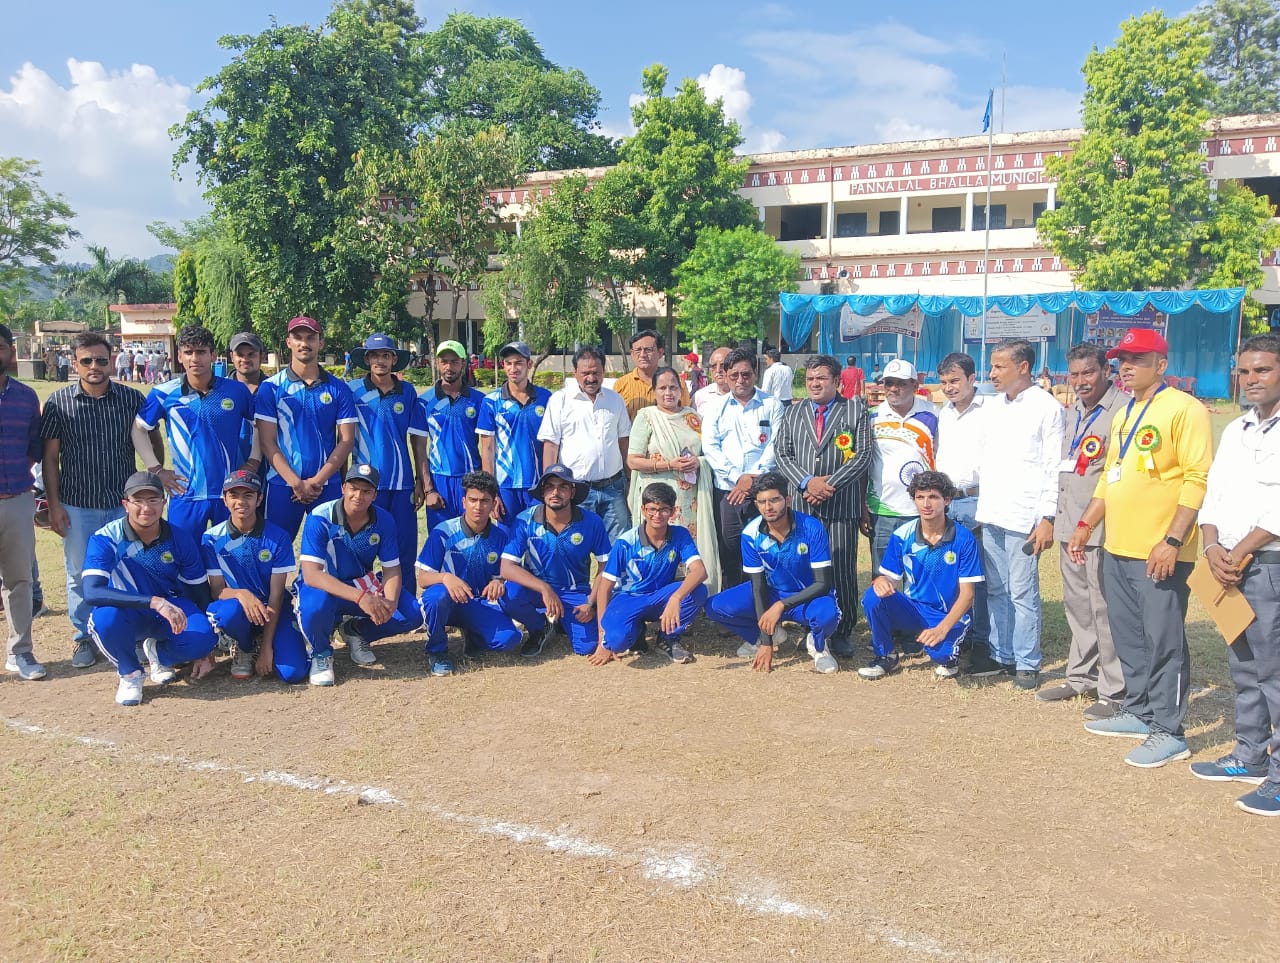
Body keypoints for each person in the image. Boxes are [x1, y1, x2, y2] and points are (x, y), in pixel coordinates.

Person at [1067, 327, 1213, 768]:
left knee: (1163, 641)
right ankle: (1139, 710)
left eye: (1138, 360)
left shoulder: (1185, 409)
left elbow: (1197, 479)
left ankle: (1170, 730)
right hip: (1118, 547)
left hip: (1160, 551)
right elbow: (1110, 478)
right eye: (1122, 360)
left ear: (1161, 365)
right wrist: (1085, 524)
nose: (1126, 368)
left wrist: (1172, 540)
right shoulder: (1126, 411)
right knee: (1129, 637)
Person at [1194, 334, 1280, 815]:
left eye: (1262, 369)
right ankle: (1249, 756)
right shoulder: (1236, 429)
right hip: (1227, 566)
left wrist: (1241, 550)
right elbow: (1215, 493)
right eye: (1244, 371)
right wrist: (1211, 546)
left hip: (1268, 566)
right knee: (1244, 667)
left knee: (1275, 673)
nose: (1251, 379)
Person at [41, 332, 155, 669]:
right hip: (77, 503)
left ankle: (131, 634)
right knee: (80, 573)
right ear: (75, 364)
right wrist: (54, 506)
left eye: (101, 360)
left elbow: (151, 441)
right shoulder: (58, 403)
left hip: (123, 504)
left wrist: (152, 481)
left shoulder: (131, 399)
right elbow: (50, 459)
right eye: (87, 360)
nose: (95, 366)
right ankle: (84, 638)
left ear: (112, 362)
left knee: (128, 570)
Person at [969, 339, 1064, 689]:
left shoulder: (1046, 408)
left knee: (1023, 593)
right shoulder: (993, 407)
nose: (992, 373)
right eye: (991, 366)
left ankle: (1027, 661)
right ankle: (1002, 654)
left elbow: (1054, 467)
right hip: (992, 512)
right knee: (997, 588)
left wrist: (1047, 517)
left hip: (1025, 516)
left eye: (999, 366)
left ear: (1023, 367)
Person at [1037, 344, 1126, 718]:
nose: (1080, 381)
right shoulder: (1071, 411)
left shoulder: (1122, 411)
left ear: (1107, 371)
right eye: (1073, 374)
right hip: (1068, 524)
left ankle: (1114, 689)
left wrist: (1089, 526)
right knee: (1077, 606)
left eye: (1088, 372)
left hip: (1100, 530)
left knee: (1104, 609)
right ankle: (1079, 677)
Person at [83, 471, 218, 707]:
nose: (146, 508)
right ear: (125, 504)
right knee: (105, 619)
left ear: (164, 502)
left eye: (153, 500)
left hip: (171, 608)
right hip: (128, 610)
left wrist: (206, 648)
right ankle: (130, 673)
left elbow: (198, 590)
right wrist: (153, 602)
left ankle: (158, 654)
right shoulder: (106, 538)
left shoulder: (179, 538)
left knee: (203, 638)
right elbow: (92, 592)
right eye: (138, 500)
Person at [773, 354, 872, 657]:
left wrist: (829, 485)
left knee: (841, 568)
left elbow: (863, 454)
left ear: (837, 381)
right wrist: (807, 483)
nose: (815, 384)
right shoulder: (793, 411)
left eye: (821, 378)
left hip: (840, 504)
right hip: (803, 505)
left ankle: (842, 630)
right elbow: (782, 454)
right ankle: (811, 625)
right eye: (810, 379)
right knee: (805, 567)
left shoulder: (855, 409)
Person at [296, 464, 423, 687]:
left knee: (411, 614)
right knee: (315, 606)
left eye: (366, 491)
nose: (358, 496)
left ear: (374, 495)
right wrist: (361, 598)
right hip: (324, 586)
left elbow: (392, 569)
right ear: (343, 488)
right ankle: (321, 653)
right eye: (353, 488)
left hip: (360, 583)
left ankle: (354, 630)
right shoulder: (320, 517)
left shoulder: (384, 520)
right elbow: (312, 575)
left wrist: (390, 604)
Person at [706, 472, 841, 674]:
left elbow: (822, 583)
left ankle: (818, 644)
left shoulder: (812, 528)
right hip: (772, 593)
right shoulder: (750, 534)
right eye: (761, 502)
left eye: (774, 500)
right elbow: (758, 586)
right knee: (715, 607)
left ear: (787, 500)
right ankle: (770, 635)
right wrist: (766, 641)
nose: (768, 507)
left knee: (828, 614)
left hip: (808, 596)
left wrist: (781, 605)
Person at [131, 324, 258, 533]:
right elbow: (139, 429)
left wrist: (254, 460)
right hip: (185, 493)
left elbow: (259, 425)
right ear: (179, 356)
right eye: (188, 352)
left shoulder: (236, 390)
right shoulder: (163, 393)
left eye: (201, 352)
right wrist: (156, 469)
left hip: (229, 493)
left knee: (229, 551)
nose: (194, 358)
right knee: (184, 551)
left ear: (213, 355)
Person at [857, 471, 983, 681]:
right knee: (873, 596)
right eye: (920, 497)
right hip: (913, 609)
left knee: (942, 655)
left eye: (933, 497)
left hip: (946, 615)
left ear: (947, 500)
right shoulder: (902, 535)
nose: (926, 504)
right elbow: (889, 578)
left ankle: (949, 655)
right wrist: (881, 581)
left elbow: (968, 595)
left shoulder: (964, 539)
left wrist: (941, 629)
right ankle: (886, 655)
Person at [255, 315, 358, 541]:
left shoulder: (339, 389)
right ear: (288, 342)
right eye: (298, 337)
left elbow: (346, 440)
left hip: (326, 484)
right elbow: (267, 441)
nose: (304, 343)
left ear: (321, 343)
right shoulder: (270, 388)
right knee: (274, 550)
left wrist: (316, 481)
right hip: (282, 484)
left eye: (311, 338)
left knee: (330, 551)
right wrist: (296, 483)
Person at [201, 469, 308, 683]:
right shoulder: (211, 538)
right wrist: (242, 594)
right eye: (234, 495)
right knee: (227, 613)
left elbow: (277, 595)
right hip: (238, 607)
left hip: (273, 609)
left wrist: (268, 647)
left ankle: (264, 641)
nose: (241, 502)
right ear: (224, 499)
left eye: (248, 495)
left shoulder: (278, 537)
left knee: (293, 673)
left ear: (259, 499)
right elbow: (217, 590)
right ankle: (245, 646)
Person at [499, 464, 611, 658]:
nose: (555, 492)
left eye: (563, 487)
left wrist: (591, 603)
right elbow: (506, 567)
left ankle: (561, 620)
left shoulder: (592, 522)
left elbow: (605, 566)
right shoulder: (525, 520)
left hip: (574, 592)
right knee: (508, 594)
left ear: (572, 492)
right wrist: (545, 589)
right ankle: (540, 626)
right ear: (542, 492)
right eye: (549, 487)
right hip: (536, 590)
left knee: (586, 647)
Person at [590, 481, 708, 665]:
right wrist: (602, 634)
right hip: (628, 599)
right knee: (616, 641)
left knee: (698, 590)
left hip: (660, 597)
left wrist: (676, 598)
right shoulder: (626, 542)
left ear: (673, 511)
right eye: (652, 509)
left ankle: (668, 639)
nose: (657, 515)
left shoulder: (680, 535)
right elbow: (605, 587)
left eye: (663, 510)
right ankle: (635, 630)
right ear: (643, 510)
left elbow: (699, 571)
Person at [626, 366, 721, 594]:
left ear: (681, 390)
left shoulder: (693, 418)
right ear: (654, 391)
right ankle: (653, 597)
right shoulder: (646, 417)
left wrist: (699, 462)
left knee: (685, 547)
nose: (668, 393)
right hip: (656, 498)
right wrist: (669, 464)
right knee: (658, 546)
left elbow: (708, 453)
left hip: (688, 500)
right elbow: (633, 460)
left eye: (673, 387)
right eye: (662, 388)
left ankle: (686, 598)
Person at [417, 470, 521, 677]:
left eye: (485, 501)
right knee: (435, 597)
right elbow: (422, 578)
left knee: (509, 639)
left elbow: (504, 573)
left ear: (494, 503)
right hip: (447, 601)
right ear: (464, 501)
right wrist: (445, 577)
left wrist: (499, 581)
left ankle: (473, 634)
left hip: (477, 603)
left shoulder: (500, 537)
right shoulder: (443, 532)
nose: (478, 506)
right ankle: (437, 651)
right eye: (473, 500)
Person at [702, 348, 783, 590]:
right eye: (734, 375)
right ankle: (732, 605)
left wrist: (753, 480)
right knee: (730, 552)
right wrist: (739, 478)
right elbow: (710, 447)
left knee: (765, 548)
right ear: (726, 376)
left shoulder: (772, 404)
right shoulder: (715, 408)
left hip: (763, 492)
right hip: (728, 492)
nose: (740, 380)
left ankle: (765, 603)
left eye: (746, 374)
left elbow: (776, 444)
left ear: (756, 373)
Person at [347, 332, 428, 573]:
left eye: (385, 355)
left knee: (404, 548)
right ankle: (359, 594)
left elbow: (418, 442)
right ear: (367, 359)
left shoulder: (407, 391)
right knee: (359, 547)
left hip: (401, 483)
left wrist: (420, 481)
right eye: (374, 355)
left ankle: (404, 595)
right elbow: (343, 438)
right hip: (365, 482)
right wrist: (344, 481)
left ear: (394, 359)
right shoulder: (353, 390)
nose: (380, 361)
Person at [539, 345, 632, 540]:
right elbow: (551, 445)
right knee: (576, 544)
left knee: (619, 545)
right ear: (575, 373)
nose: (591, 378)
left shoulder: (615, 400)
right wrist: (549, 485)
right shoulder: (560, 400)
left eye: (596, 372)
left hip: (613, 488)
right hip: (576, 489)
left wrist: (630, 480)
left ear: (603, 371)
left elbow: (624, 442)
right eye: (585, 373)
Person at [933, 352, 990, 661]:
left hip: (977, 499)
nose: (949, 388)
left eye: (955, 381)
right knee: (955, 573)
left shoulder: (990, 410)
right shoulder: (944, 413)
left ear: (972, 378)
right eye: (944, 382)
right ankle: (962, 632)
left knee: (980, 576)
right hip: (949, 501)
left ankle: (983, 640)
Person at [861, 359, 938, 577]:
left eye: (901, 383)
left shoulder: (934, 414)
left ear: (915, 385)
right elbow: (863, 463)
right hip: (882, 510)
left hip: (921, 510)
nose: (894, 389)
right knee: (884, 578)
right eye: (889, 383)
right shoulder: (871, 416)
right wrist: (861, 505)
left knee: (921, 578)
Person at [0, 323, 45, 680]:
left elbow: (34, 447)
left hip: (16, 500)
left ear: (10, 352)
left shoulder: (26, 397)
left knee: (19, 580)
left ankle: (20, 652)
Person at [477, 341, 552, 521]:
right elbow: (487, 449)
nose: (513, 368)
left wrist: (551, 483)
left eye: (518, 363)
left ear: (529, 364)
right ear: (503, 366)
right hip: (505, 485)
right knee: (507, 536)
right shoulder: (491, 401)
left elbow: (552, 443)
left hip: (538, 484)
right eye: (508, 363)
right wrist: (491, 490)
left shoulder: (546, 398)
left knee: (538, 535)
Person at [420, 339, 485, 528]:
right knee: (441, 537)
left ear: (463, 363)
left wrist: (486, 484)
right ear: (437, 363)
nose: (449, 367)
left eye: (454, 362)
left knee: (473, 535)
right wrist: (428, 489)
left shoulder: (480, 400)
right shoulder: (424, 401)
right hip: (439, 479)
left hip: (472, 477)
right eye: (444, 361)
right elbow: (419, 448)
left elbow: (489, 446)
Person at [613, 329, 689, 422]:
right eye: (638, 350)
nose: (642, 355)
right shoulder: (621, 385)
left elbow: (687, 417)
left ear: (660, 352)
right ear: (632, 354)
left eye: (648, 350)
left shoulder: (677, 383)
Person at [693, 346, 732, 418]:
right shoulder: (700, 395)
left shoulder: (746, 395)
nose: (718, 370)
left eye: (722, 366)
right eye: (714, 366)